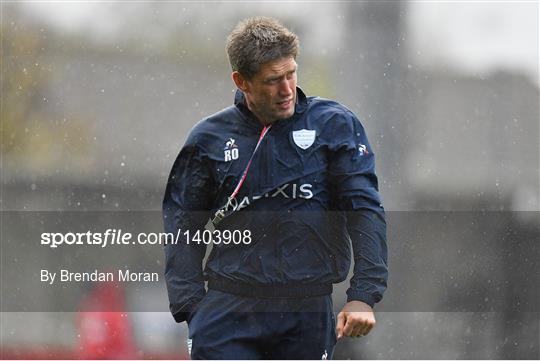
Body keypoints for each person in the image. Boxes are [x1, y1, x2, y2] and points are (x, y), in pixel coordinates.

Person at [163, 17, 388, 360]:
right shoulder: (209, 138)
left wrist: (364, 294)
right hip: (228, 308)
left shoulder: (335, 126)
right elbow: (182, 223)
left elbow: (364, 211)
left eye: (291, 74)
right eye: (272, 80)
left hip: (306, 310)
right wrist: (193, 306)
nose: (286, 90)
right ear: (242, 82)